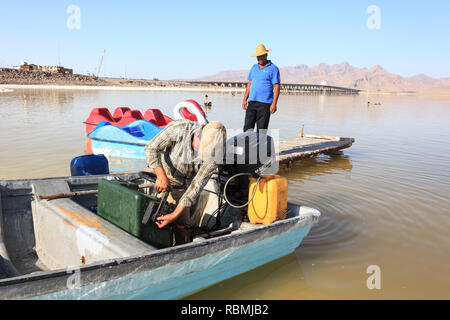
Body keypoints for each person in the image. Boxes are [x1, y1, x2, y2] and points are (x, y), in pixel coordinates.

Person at [144, 119, 226, 230]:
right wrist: (161, 175)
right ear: (198, 133)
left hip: (188, 184)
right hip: (167, 173)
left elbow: (197, 184)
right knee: (157, 217)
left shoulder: (215, 154)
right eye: (200, 147)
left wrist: (174, 215)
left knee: (182, 225)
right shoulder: (179, 128)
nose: (199, 152)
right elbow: (151, 148)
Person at [242, 44, 280, 132]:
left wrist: (274, 103)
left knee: (261, 131)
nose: (260, 58)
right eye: (258, 57)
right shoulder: (254, 67)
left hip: (265, 104)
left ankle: (260, 146)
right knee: (247, 129)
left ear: (266, 55)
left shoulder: (274, 68)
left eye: (262, 56)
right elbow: (249, 84)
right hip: (252, 102)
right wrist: (245, 99)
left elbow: (277, 87)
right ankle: (247, 146)